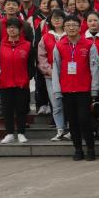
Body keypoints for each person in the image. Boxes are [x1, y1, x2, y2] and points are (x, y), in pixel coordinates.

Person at [52, 15, 99, 160]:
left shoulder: (89, 45)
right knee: (72, 122)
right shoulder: (59, 45)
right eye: (68, 25)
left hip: (84, 89)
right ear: (64, 28)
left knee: (84, 119)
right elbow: (56, 68)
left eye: (74, 25)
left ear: (80, 28)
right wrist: (57, 89)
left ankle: (91, 149)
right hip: (66, 90)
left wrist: (94, 88)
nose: (71, 28)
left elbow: (94, 67)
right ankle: (78, 149)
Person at [0, 17, 35, 144]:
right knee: (7, 109)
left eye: (14, 27)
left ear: (20, 30)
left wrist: (27, 77)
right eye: (9, 28)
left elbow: (31, 65)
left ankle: (21, 133)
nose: (11, 30)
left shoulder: (27, 46)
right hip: (5, 84)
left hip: (22, 84)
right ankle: (9, 133)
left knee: (21, 109)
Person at [37, 9, 69, 141]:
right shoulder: (45, 37)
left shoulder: (70, 35)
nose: (57, 20)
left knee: (69, 104)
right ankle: (60, 130)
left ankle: (71, 129)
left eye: (59, 17)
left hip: (69, 76)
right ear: (49, 21)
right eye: (54, 18)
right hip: (50, 76)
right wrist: (49, 71)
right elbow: (41, 56)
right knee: (56, 105)